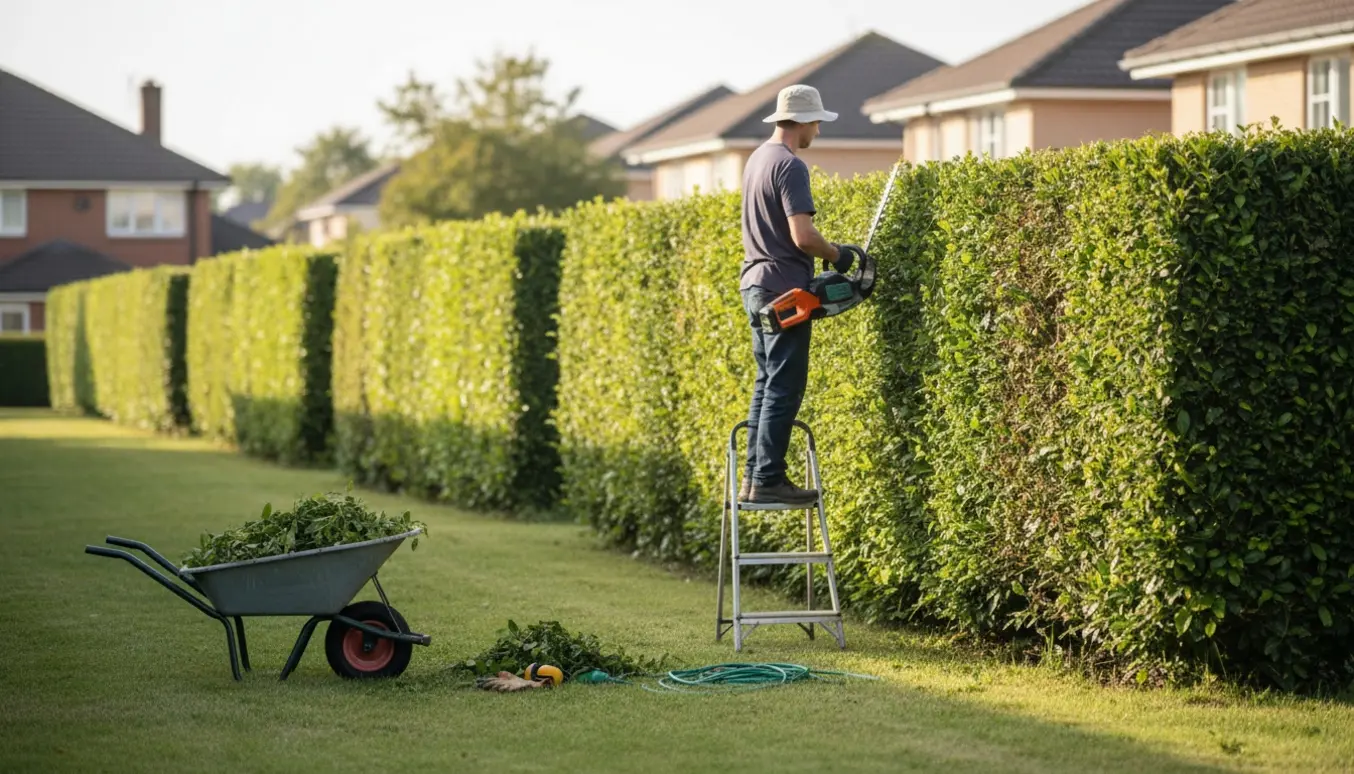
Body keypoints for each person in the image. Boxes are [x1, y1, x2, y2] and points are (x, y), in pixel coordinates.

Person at [737, 84, 863, 506]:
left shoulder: (757, 160)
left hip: (755, 284)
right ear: (804, 122)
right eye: (816, 124)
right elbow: (803, 236)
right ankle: (769, 479)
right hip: (783, 288)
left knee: (765, 383)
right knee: (784, 387)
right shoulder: (790, 166)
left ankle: (753, 479)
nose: (818, 133)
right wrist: (838, 255)